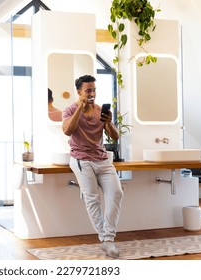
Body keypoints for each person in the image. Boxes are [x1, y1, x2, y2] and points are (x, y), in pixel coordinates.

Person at [62, 74, 123, 258]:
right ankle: (107, 239)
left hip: (102, 160)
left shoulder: (99, 110)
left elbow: (115, 136)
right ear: (79, 91)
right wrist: (80, 107)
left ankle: (107, 240)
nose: (92, 93)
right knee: (92, 199)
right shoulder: (70, 110)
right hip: (82, 160)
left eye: (94, 90)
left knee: (117, 193)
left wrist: (108, 123)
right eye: (88, 90)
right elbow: (67, 130)